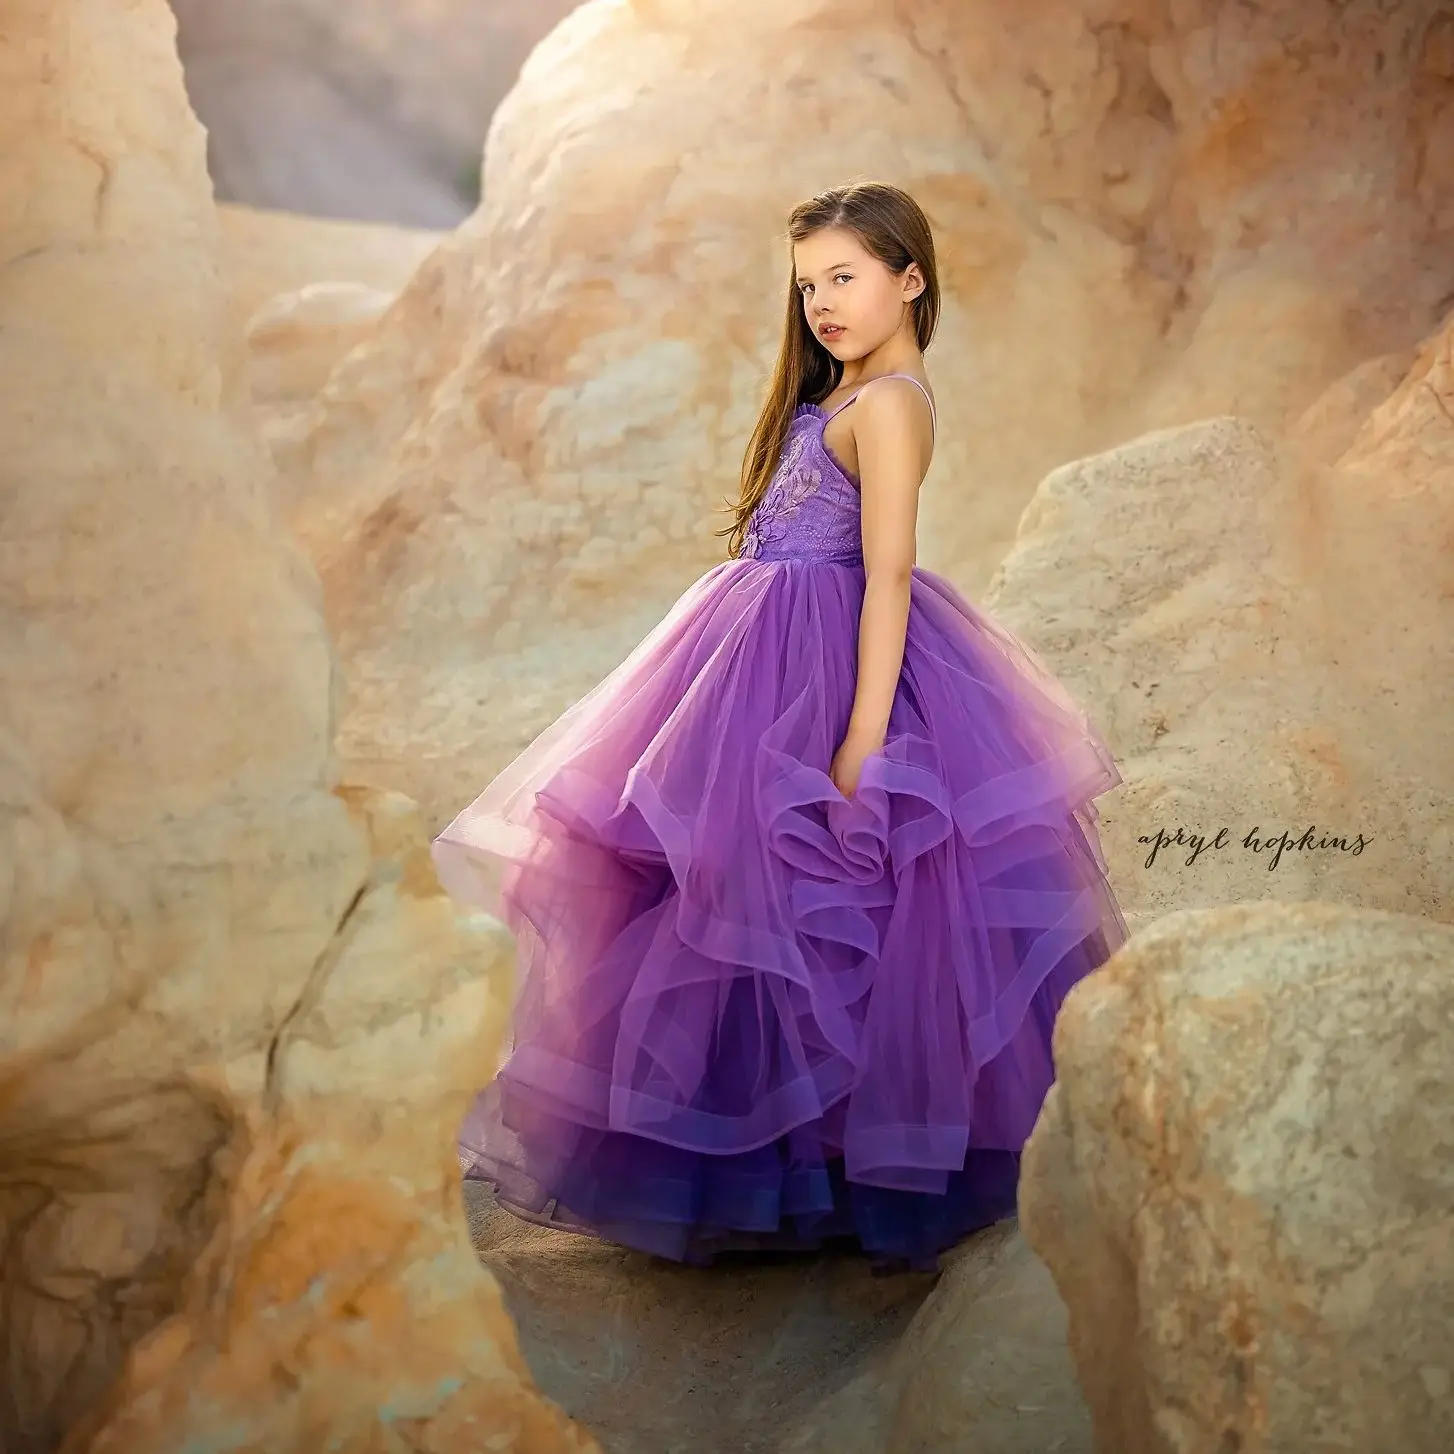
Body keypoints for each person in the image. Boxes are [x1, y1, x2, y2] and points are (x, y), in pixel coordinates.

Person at [432, 181, 1126, 1273]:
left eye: (844, 276)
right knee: (728, 898)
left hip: (819, 664)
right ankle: (767, 1156)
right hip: (753, 652)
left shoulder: (891, 401)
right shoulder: (840, 394)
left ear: (910, 277)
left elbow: (887, 571)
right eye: (808, 284)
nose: (821, 303)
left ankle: (825, 1167)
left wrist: (859, 739)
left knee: (815, 914)